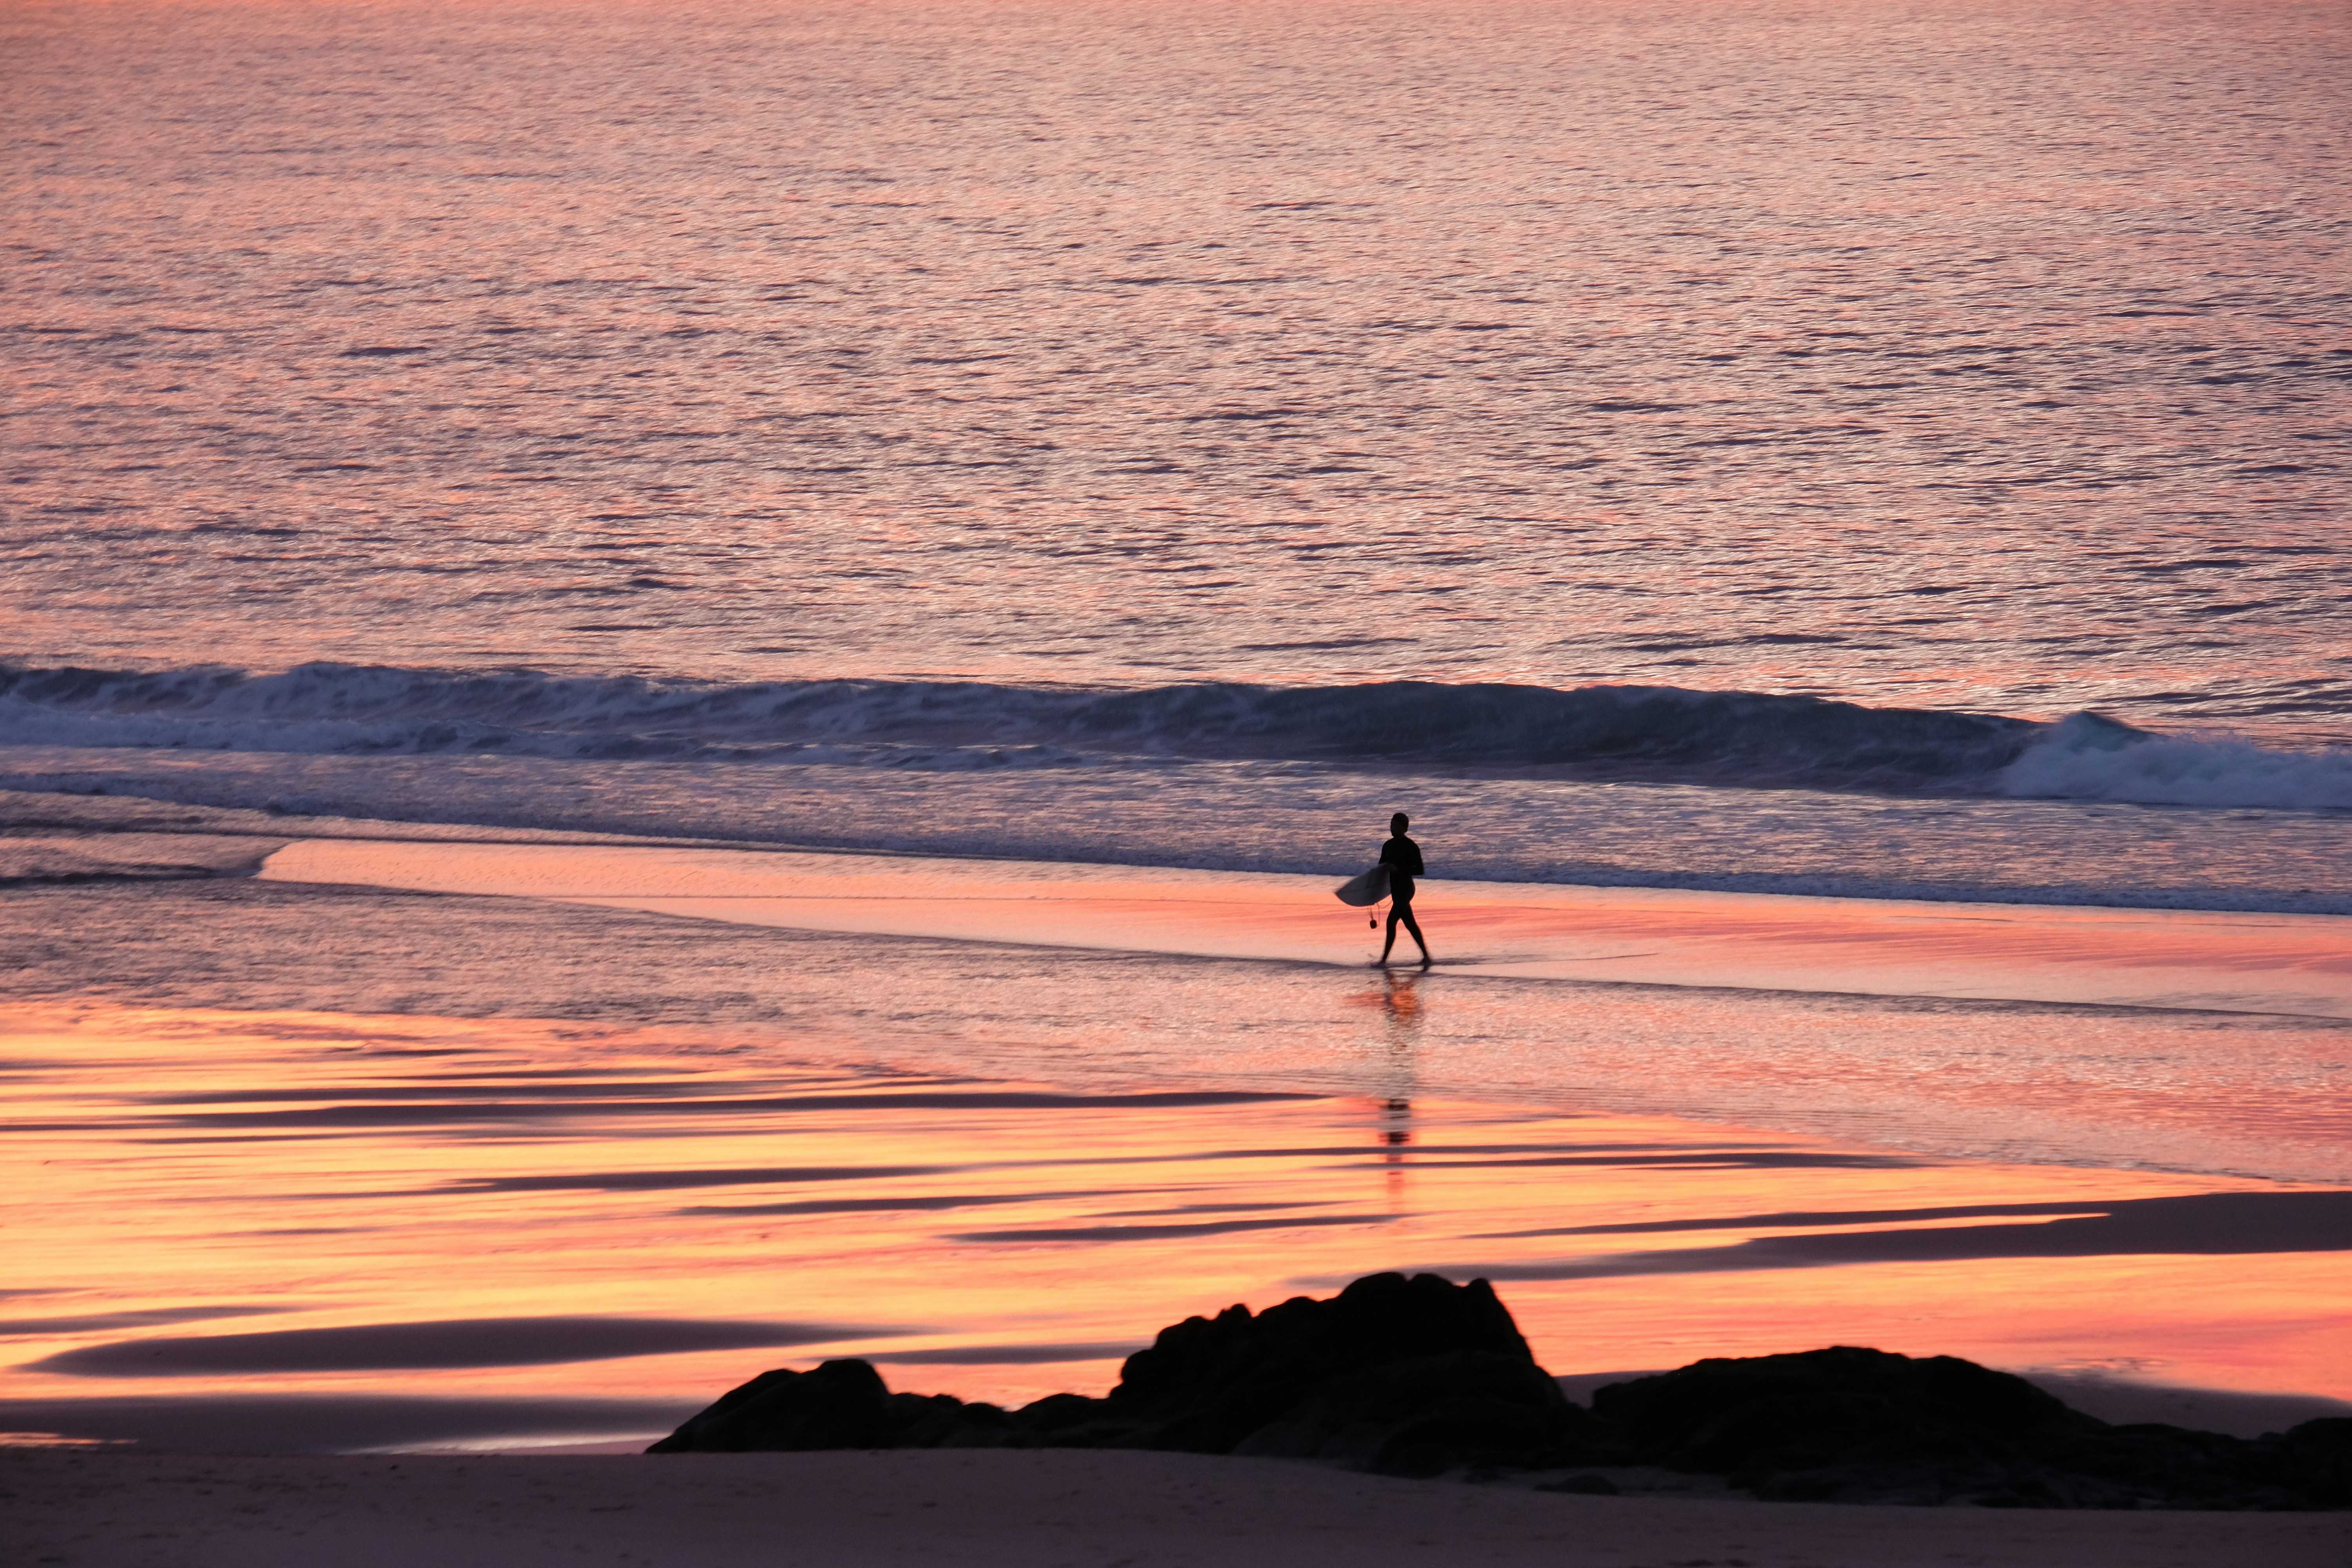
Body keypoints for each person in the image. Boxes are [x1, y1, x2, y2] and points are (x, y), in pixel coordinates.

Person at [1377, 811, 1431, 967]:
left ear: (1404, 828)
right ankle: (1427, 957)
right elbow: (1381, 867)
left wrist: (1399, 869)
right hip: (1395, 890)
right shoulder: (1388, 846)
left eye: (1396, 826)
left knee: (1391, 921)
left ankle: (1384, 960)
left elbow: (1420, 870)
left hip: (1406, 889)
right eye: (1391, 825)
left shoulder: (1411, 847)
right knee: (1410, 924)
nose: (1392, 828)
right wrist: (1374, 890)